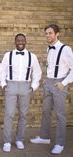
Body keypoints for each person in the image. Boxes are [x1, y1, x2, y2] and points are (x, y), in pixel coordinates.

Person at [30, 24, 73, 154]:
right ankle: (44, 137)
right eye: (46, 33)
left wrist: (64, 83)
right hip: (48, 83)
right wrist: (47, 79)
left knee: (60, 115)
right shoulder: (49, 49)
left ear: (57, 34)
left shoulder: (65, 49)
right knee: (46, 111)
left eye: (50, 33)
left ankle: (59, 144)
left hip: (59, 84)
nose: (48, 35)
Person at [1, 33, 42, 152]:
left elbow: (37, 73)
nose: (20, 42)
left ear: (25, 42)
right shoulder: (8, 55)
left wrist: (33, 87)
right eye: (18, 40)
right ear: (15, 42)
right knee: (9, 114)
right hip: (11, 85)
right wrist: (3, 84)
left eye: (22, 40)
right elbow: (2, 70)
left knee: (23, 115)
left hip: (25, 86)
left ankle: (19, 139)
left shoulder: (32, 56)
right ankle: (7, 142)